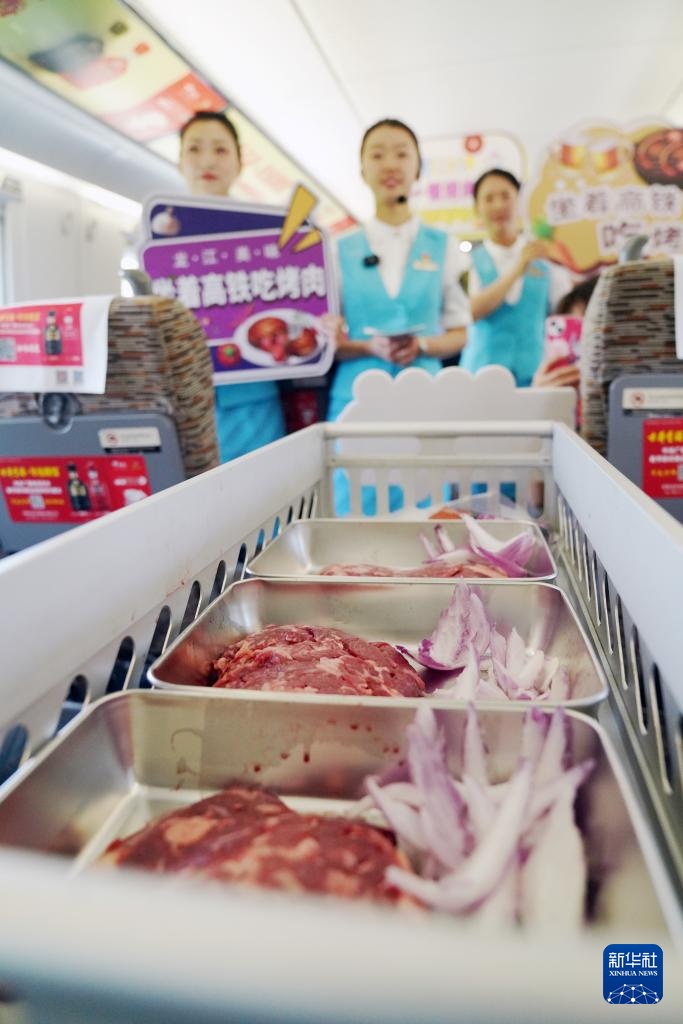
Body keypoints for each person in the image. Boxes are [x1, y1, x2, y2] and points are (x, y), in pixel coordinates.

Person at [327, 118, 470, 422]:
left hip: (425, 398)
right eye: (377, 155)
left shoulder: (445, 246)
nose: (390, 165)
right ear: (362, 171)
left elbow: (460, 333)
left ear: (418, 168)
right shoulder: (337, 250)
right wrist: (367, 347)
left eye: (402, 154)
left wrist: (423, 345)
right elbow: (328, 342)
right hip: (354, 402)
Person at [178, 111, 286, 462]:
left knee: (263, 489)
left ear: (240, 162)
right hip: (184, 401)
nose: (208, 160)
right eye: (195, 149)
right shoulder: (153, 233)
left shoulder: (264, 234)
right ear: (179, 161)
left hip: (254, 397)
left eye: (221, 150)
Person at [460, 168, 573, 386]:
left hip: (535, 378)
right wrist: (519, 268)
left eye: (506, 196)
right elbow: (471, 311)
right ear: (477, 209)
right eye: (489, 199)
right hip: (480, 379)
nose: (498, 205)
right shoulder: (468, 261)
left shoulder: (544, 260)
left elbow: (564, 313)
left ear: (520, 203)